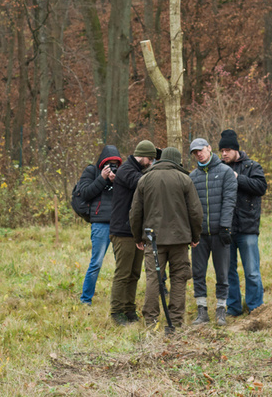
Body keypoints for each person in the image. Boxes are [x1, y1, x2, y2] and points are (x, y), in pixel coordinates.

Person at [129, 147, 202, 331]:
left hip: (153, 239)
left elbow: (135, 212)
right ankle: (175, 323)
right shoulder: (185, 179)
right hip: (180, 240)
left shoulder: (145, 179)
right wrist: (195, 236)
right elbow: (195, 211)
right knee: (179, 278)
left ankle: (151, 323)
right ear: (177, 162)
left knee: (153, 279)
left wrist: (138, 237)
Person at [218, 129, 268, 317]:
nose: (224, 154)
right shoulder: (219, 169)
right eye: (222, 150)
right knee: (228, 272)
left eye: (228, 150)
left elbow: (261, 187)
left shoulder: (252, 166)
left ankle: (256, 307)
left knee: (252, 271)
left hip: (248, 228)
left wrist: (238, 178)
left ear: (236, 150)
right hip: (226, 228)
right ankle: (233, 308)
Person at [189, 138, 237, 326]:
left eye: (201, 150)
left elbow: (229, 201)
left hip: (220, 233)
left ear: (209, 148)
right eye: (195, 152)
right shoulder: (192, 177)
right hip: (200, 235)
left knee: (222, 274)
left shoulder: (226, 173)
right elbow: (190, 207)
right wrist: (193, 232)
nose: (199, 154)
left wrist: (225, 226)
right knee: (198, 273)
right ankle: (202, 312)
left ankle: (221, 311)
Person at [109, 140, 157, 325]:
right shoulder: (127, 171)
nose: (151, 163)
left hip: (135, 232)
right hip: (122, 231)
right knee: (123, 273)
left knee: (134, 273)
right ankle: (116, 312)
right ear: (143, 156)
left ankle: (129, 309)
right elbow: (143, 184)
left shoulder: (136, 170)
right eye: (151, 159)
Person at [75, 145, 122, 305]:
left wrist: (118, 181)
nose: (113, 167)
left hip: (118, 224)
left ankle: (119, 300)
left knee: (121, 264)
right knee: (96, 263)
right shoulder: (92, 171)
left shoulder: (121, 174)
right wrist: (102, 178)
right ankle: (85, 299)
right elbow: (85, 193)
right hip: (100, 223)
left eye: (116, 163)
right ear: (103, 163)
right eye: (110, 164)